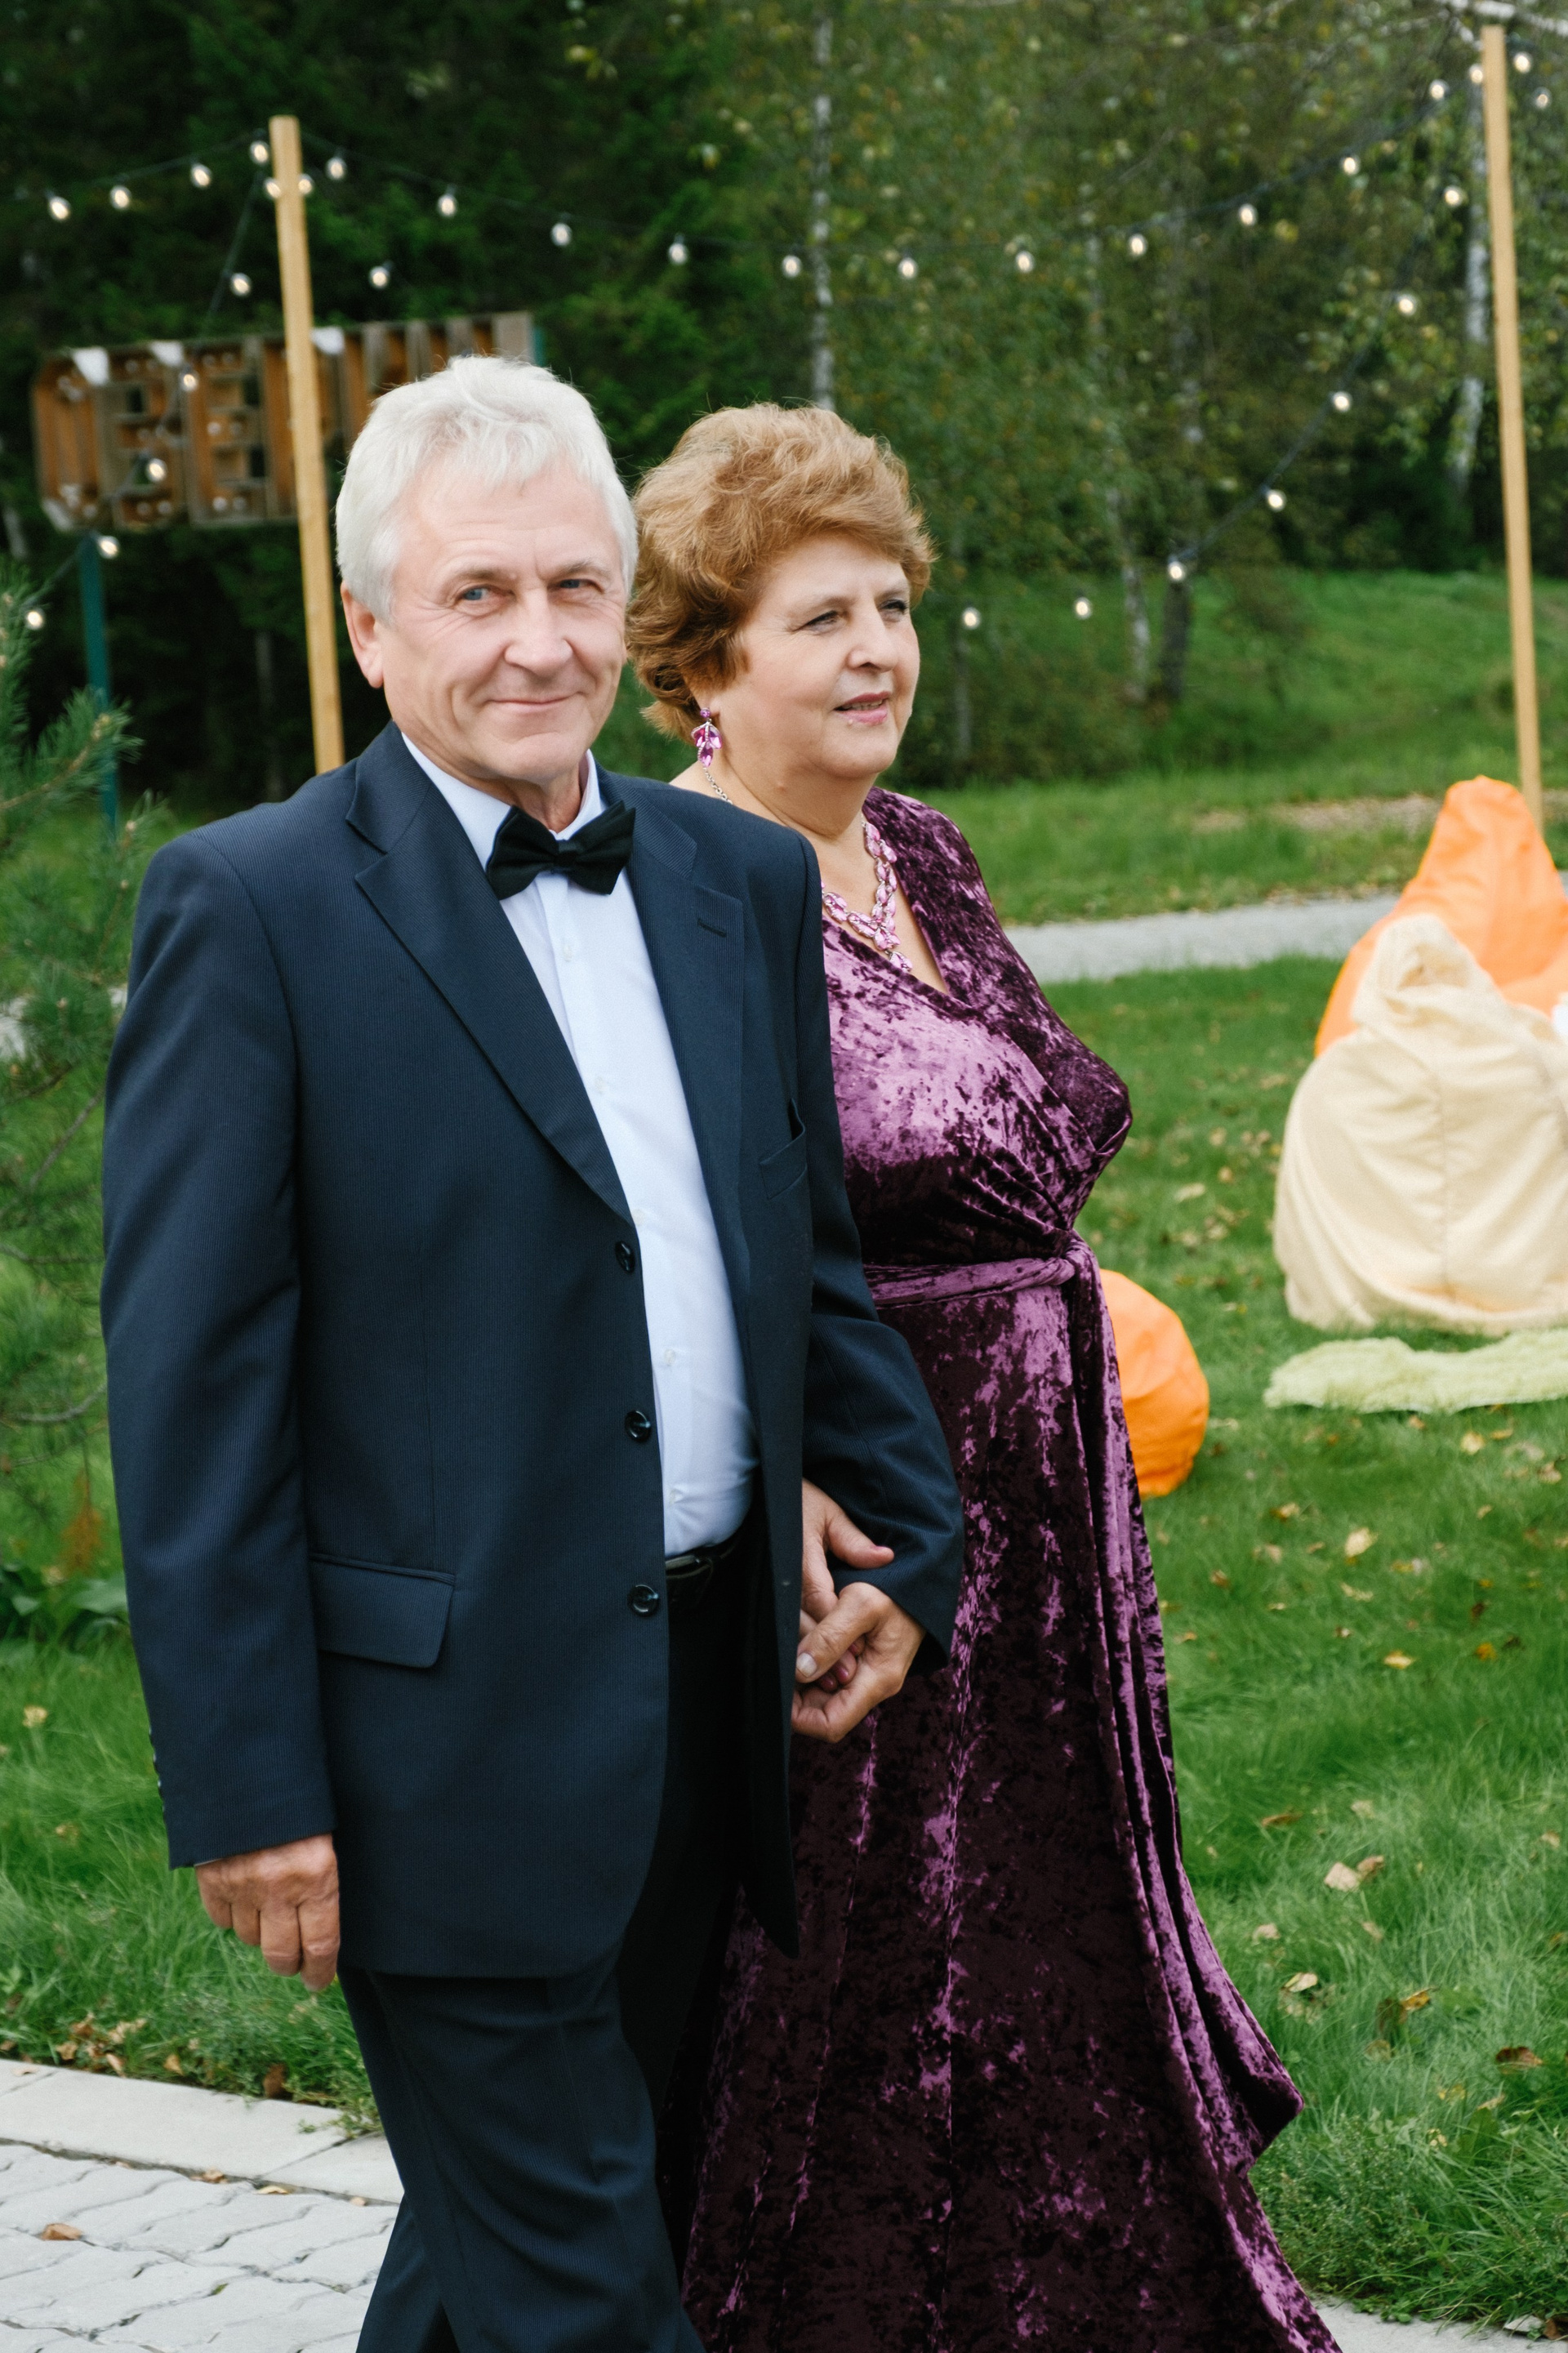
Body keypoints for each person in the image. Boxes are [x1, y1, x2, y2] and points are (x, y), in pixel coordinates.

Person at [100, 360, 965, 2353]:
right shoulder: (252, 908)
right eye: (476, 594)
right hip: (439, 1750)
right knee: (587, 2292)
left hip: (706, 1704)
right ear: (369, 627)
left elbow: (803, 1264)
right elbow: (195, 1391)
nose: (540, 641)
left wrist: (909, 1543)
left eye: (576, 586)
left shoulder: (738, 880)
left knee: (505, 2251)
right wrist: (245, 1781)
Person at [628, 403, 1339, 2353]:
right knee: (864, 1966)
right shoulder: (676, 882)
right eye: (818, 620)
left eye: (891, 606)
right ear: (701, 668)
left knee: (1043, 1934)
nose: (876, 651)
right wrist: (761, 1458)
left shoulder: (921, 852)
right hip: (868, 1499)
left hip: (1049, 1506)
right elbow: (652, 1227)